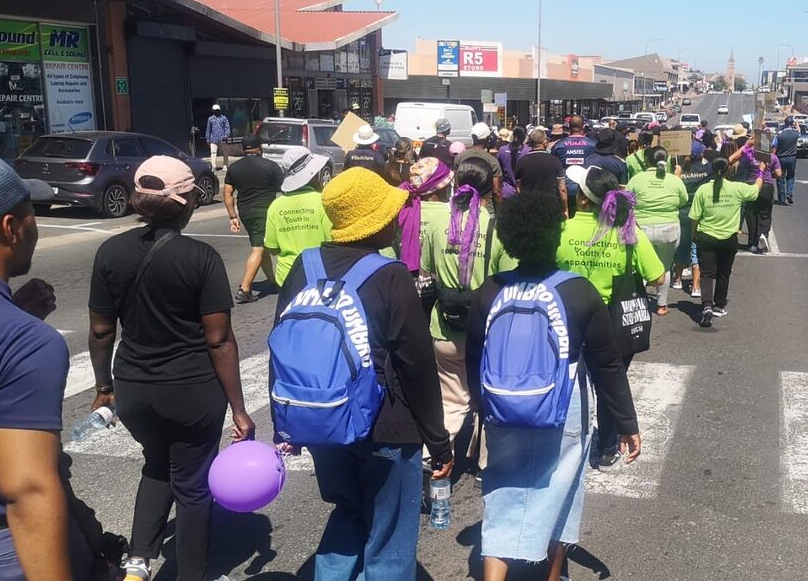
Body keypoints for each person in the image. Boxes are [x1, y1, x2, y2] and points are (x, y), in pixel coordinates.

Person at [274, 167, 452, 580]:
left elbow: (283, 345)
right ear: (374, 223)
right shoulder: (389, 275)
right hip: (386, 426)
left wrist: (288, 425)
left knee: (348, 510)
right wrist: (438, 441)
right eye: (389, 214)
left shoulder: (305, 265)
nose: (395, 221)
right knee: (389, 535)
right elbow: (416, 365)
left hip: (323, 417)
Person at [88, 156, 255, 581]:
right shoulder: (201, 258)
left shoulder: (110, 251)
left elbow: (102, 330)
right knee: (193, 486)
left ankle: (138, 563)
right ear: (186, 204)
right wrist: (239, 407)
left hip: (134, 389)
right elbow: (218, 340)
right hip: (191, 391)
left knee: (156, 464)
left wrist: (104, 385)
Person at [466, 191, 641, 581]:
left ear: (508, 240)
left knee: (504, 489)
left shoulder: (490, 291)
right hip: (563, 406)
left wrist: (481, 408)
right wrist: (626, 423)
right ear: (555, 234)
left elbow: (475, 357)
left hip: (502, 405)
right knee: (562, 489)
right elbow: (607, 365)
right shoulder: (577, 291)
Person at [0, 153, 94, 580]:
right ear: (11, 228)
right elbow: (27, 492)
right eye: (32, 214)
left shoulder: (12, 330)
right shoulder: (25, 342)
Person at [558, 166, 664, 466]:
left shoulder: (563, 231)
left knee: (570, 381)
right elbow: (658, 277)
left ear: (581, 200)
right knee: (609, 384)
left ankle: (566, 443)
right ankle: (606, 448)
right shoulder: (629, 233)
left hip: (569, 316)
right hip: (612, 321)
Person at [421, 158, 517, 470]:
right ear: (491, 188)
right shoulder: (496, 228)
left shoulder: (438, 224)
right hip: (487, 329)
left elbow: (427, 271)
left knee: (451, 398)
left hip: (444, 326)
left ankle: (435, 457)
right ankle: (485, 464)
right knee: (488, 396)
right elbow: (507, 283)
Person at [690, 157, 764, 328]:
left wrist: (694, 234)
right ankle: (719, 304)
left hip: (706, 236)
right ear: (728, 170)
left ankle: (706, 305)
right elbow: (755, 190)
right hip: (728, 239)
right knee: (724, 272)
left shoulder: (703, 190)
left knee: (706, 274)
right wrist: (761, 171)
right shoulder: (736, 188)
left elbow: (694, 217)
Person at [626, 147, 688, 316]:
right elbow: (683, 200)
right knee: (665, 266)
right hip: (668, 228)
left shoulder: (637, 179)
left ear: (647, 160)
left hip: (641, 228)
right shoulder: (675, 180)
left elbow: (627, 200)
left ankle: (638, 301)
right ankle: (661, 305)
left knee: (639, 266)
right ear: (667, 160)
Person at [223, 135, 283, 303]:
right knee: (258, 248)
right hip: (265, 211)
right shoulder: (270, 166)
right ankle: (245, 288)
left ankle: (272, 281)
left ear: (244, 149)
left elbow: (227, 193)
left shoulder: (234, 168)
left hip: (245, 212)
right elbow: (285, 188)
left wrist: (232, 216)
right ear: (259, 148)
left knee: (261, 246)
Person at [264, 146, 333, 287]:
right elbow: (332, 242)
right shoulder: (322, 202)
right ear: (313, 174)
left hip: (287, 277)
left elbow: (272, 248)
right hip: (319, 274)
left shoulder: (275, 206)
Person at [674, 148, 714, 297]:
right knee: (697, 249)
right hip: (700, 214)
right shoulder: (706, 169)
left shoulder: (678, 171)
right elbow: (728, 161)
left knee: (681, 247)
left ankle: (677, 278)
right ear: (701, 155)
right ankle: (696, 285)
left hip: (682, 213)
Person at [514, 128, 567, 214]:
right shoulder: (555, 161)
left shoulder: (521, 161)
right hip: (550, 206)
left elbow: (518, 188)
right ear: (544, 142)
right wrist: (565, 209)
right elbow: (562, 189)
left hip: (529, 207)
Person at [745, 141, 782, 254]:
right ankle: (763, 234)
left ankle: (752, 243)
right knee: (765, 213)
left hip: (751, 185)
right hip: (766, 186)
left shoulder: (750, 156)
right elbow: (779, 174)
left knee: (751, 214)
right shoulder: (773, 157)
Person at [455, 123, 504, 200]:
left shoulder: (459, 157)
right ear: (487, 139)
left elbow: (457, 184)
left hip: (464, 202)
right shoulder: (492, 160)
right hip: (485, 205)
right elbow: (496, 191)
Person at [496, 126, 529, 198]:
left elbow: (498, 171)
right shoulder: (528, 151)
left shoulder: (502, 150)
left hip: (506, 192)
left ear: (513, 135)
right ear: (525, 137)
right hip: (524, 192)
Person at [773, 116, 800, 205]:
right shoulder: (795, 134)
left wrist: (772, 158)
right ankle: (789, 193)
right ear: (791, 124)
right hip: (792, 158)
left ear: (784, 123)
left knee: (780, 177)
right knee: (791, 176)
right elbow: (799, 131)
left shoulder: (779, 135)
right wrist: (797, 124)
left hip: (781, 158)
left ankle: (781, 198)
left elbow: (774, 146)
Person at [204, 104, 230, 171]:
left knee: (225, 153)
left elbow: (227, 127)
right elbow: (208, 129)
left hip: (223, 139)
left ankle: (225, 165)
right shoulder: (210, 119)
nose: (217, 112)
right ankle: (213, 166)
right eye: (215, 110)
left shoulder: (224, 118)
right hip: (213, 139)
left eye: (218, 110)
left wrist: (226, 136)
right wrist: (207, 138)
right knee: (213, 153)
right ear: (213, 111)